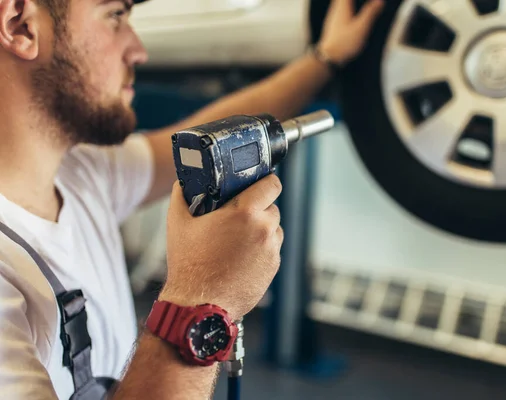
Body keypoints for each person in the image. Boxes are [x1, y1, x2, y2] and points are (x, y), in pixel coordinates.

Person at [0, 0, 383, 398]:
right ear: (21, 25)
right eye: (115, 15)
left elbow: (218, 135)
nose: (138, 50)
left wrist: (325, 58)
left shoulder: (82, 172)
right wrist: (201, 299)